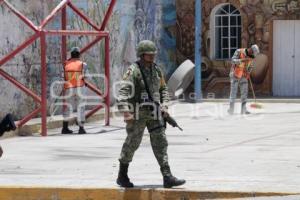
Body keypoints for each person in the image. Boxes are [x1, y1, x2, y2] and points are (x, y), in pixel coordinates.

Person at [116, 40, 186, 188]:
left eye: (153, 54)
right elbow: (123, 91)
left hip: (154, 113)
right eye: (149, 55)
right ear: (142, 55)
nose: (153, 57)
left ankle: (167, 177)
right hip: (138, 113)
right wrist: (126, 111)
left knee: (161, 142)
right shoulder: (133, 71)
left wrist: (165, 106)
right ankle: (122, 175)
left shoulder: (157, 70)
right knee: (132, 143)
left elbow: (163, 90)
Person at [61, 47, 87, 134]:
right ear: (79, 55)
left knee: (68, 107)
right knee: (81, 107)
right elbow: (86, 76)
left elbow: (64, 77)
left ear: (71, 55)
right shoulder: (82, 64)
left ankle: (65, 128)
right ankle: (81, 128)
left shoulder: (66, 64)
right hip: (80, 87)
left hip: (69, 88)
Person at [228, 44, 260, 115]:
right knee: (233, 92)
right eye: (252, 53)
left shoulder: (252, 56)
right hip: (235, 74)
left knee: (244, 93)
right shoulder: (239, 51)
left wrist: (248, 72)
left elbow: (251, 66)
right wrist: (242, 60)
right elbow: (233, 61)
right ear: (251, 49)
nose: (253, 56)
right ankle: (231, 109)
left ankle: (243, 110)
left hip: (244, 76)